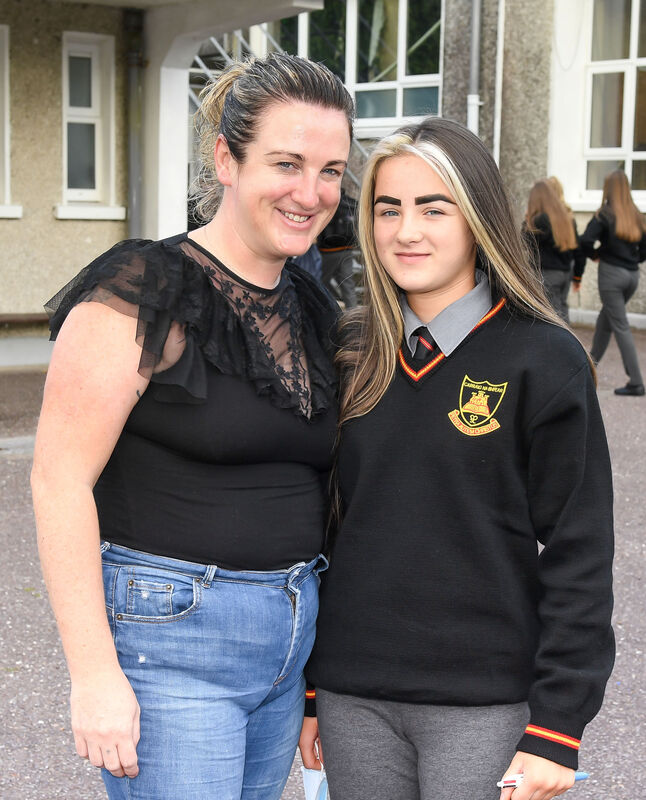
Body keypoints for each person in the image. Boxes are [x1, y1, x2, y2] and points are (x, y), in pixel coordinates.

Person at [31, 52, 353, 800]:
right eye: (288, 163)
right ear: (225, 159)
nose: (312, 193)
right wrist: (93, 675)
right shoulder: (146, 287)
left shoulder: (309, 308)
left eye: (331, 170)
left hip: (289, 640)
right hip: (175, 641)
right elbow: (58, 479)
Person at [301, 118, 615, 800]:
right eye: (389, 209)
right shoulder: (354, 352)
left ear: (478, 218)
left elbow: (579, 550)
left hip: (484, 703)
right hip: (356, 699)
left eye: (433, 207)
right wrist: (313, 687)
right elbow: (330, 530)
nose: (406, 231)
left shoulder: (543, 358)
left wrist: (558, 724)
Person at [580, 169, 646, 396]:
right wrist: (632, 259)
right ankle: (589, 368)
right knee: (606, 319)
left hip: (612, 276)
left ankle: (636, 382)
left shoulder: (605, 214)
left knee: (620, 324)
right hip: (632, 277)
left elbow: (585, 240)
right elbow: (644, 249)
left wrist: (598, 253)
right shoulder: (636, 214)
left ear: (608, 189)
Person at [523, 178, 585, 322]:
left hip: (548, 273)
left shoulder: (540, 220)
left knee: (554, 317)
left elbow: (525, 240)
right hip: (564, 273)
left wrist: (527, 219)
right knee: (562, 310)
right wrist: (577, 276)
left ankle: (566, 343)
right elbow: (578, 248)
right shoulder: (566, 218)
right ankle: (569, 341)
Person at [318, 187, 359, 307]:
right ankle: (353, 315)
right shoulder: (351, 202)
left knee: (319, 281)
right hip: (347, 248)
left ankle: (334, 303)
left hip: (328, 250)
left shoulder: (328, 203)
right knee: (348, 284)